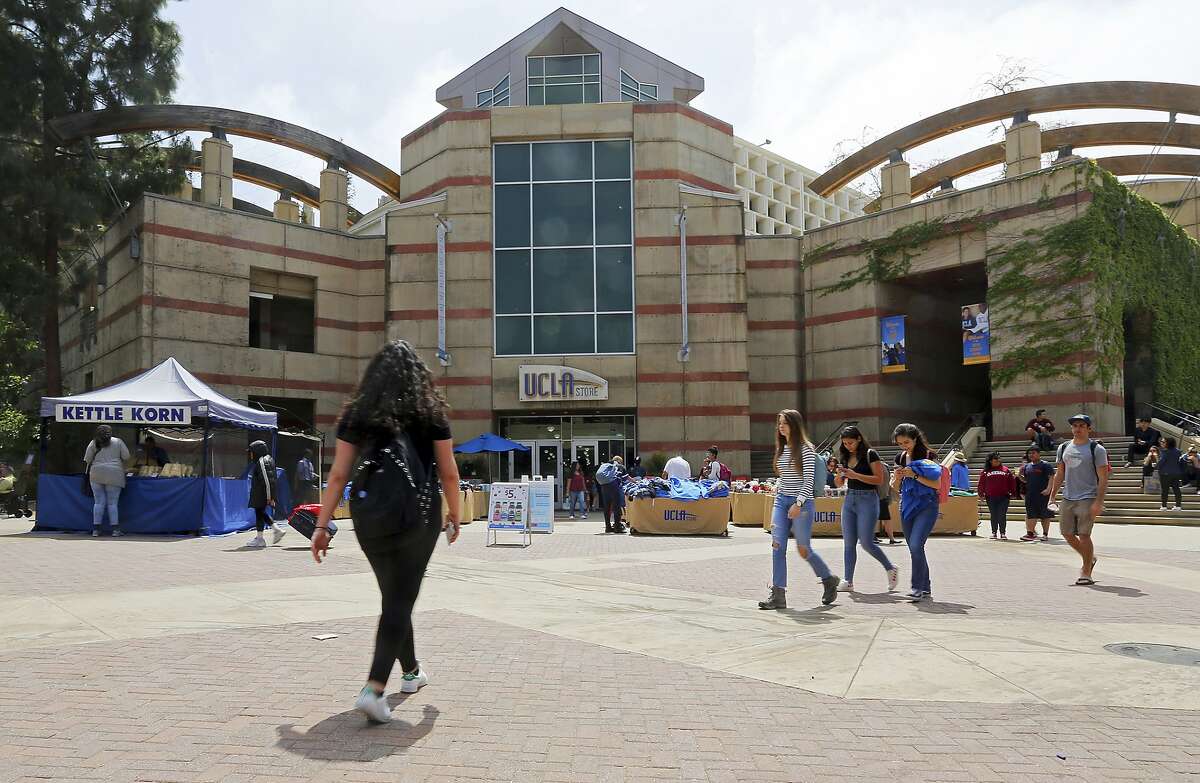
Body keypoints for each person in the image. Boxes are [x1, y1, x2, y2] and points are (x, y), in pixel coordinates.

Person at [310, 340, 461, 724]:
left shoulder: (358, 414)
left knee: (394, 596)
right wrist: (455, 513)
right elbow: (448, 472)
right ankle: (374, 689)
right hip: (418, 517)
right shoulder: (430, 414)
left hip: (370, 518)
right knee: (399, 599)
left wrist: (322, 525)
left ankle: (411, 672)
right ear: (418, 375)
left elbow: (338, 475)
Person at [757, 409, 841, 610]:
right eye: (779, 423)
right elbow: (786, 476)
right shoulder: (783, 448)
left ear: (795, 425)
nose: (781, 427)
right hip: (781, 500)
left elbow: (808, 480)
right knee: (777, 546)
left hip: (801, 503)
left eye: (784, 423)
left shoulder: (806, 449)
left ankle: (828, 579)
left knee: (803, 549)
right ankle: (778, 594)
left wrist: (799, 503)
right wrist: (779, 489)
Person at [833, 425, 899, 594]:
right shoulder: (845, 455)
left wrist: (855, 475)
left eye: (851, 443)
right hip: (850, 499)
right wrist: (840, 476)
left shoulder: (870, 454)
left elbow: (879, 479)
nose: (848, 446)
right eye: (845, 443)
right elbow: (839, 483)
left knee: (867, 542)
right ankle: (848, 580)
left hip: (868, 499)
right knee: (848, 543)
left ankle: (890, 568)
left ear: (859, 439)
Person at [1046, 413, 1110, 586]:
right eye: (1075, 426)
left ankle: (1086, 570)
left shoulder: (1096, 449)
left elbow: (1103, 478)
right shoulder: (1064, 447)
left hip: (1088, 496)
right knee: (1066, 533)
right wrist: (1052, 496)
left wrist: (1098, 501)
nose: (1077, 429)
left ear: (1089, 429)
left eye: (1082, 426)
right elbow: (1060, 473)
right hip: (1068, 496)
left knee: (1083, 534)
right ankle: (1090, 559)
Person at [892, 423, 943, 602]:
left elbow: (937, 484)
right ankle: (925, 586)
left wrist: (913, 475)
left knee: (915, 546)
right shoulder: (900, 458)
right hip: (906, 506)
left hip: (927, 505)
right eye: (900, 443)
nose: (904, 446)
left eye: (907, 442)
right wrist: (898, 477)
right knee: (916, 548)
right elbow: (894, 487)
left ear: (915, 438)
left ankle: (916, 587)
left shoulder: (929, 456)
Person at [83, 424, 130, 537]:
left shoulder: (93, 443)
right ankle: (115, 530)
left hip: (96, 473)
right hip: (114, 473)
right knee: (112, 503)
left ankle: (96, 530)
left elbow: (87, 459)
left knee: (98, 502)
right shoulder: (118, 442)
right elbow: (126, 456)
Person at [246, 440, 287, 548]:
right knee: (260, 513)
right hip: (263, 493)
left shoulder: (262, 461)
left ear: (257, 451)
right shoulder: (267, 459)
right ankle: (272, 532)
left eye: (251, 452)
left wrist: (270, 497)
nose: (250, 454)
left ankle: (262, 538)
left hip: (262, 493)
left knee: (260, 513)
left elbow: (267, 481)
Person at [977, 451, 1018, 540]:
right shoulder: (985, 471)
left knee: (1002, 514)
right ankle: (994, 532)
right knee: (994, 514)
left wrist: (1013, 493)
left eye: (999, 459)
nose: (998, 460)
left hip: (1004, 496)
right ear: (990, 461)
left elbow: (1012, 482)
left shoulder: (1006, 470)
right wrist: (981, 494)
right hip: (990, 496)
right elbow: (981, 483)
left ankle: (1003, 533)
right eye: (995, 459)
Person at [1019, 447, 1055, 542]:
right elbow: (1026, 480)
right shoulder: (1027, 466)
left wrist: (1048, 489)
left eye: (1033, 453)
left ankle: (1045, 534)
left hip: (1043, 494)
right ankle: (1030, 534)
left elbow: (1051, 477)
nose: (1031, 455)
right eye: (1029, 453)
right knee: (1031, 514)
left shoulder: (1045, 465)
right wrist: (1019, 476)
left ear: (1039, 454)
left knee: (1045, 515)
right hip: (1030, 495)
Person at [597, 455, 627, 533]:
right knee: (616, 506)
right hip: (614, 486)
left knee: (607, 507)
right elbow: (624, 479)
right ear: (620, 461)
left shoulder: (606, 466)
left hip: (604, 486)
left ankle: (608, 527)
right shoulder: (620, 466)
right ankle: (617, 527)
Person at [1157, 436, 1186, 511]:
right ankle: (1178, 506)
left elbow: (1161, 462)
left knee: (1165, 490)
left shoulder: (1165, 451)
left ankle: (1164, 506)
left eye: (1163, 442)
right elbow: (1181, 462)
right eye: (1161, 441)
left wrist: (1157, 465)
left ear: (1168, 443)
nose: (1161, 443)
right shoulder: (1178, 451)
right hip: (1176, 473)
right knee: (1176, 489)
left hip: (1165, 473)